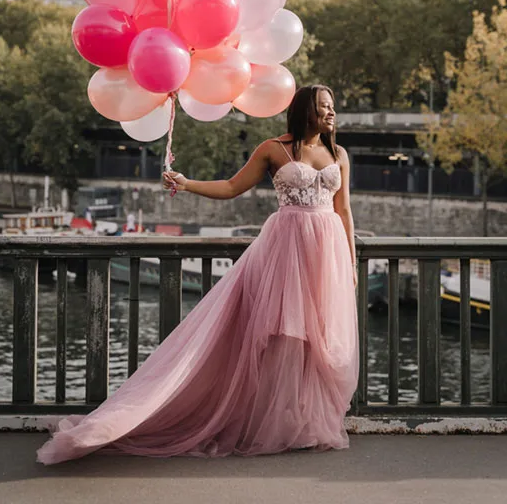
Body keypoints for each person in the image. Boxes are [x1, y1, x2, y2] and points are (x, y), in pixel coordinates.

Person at [37, 85, 358, 464]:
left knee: (317, 340)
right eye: (324, 107)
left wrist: (351, 262)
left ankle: (307, 423)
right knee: (285, 336)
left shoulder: (339, 154)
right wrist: (188, 184)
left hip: (327, 255)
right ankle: (273, 423)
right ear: (306, 110)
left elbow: (345, 211)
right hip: (286, 251)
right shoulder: (274, 148)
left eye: (333, 107)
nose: (331, 113)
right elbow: (232, 187)